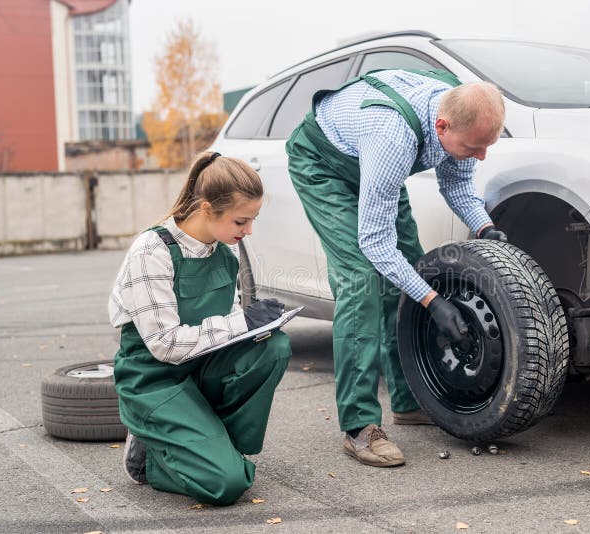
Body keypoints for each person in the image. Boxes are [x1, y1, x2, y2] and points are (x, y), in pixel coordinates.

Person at [285, 69, 508, 467]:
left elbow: (457, 186)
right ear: (441, 126)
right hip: (324, 166)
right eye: (475, 147)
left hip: (371, 165)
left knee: (410, 267)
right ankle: (359, 427)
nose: (481, 156)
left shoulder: (455, 109)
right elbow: (375, 245)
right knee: (363, 279)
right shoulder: (392, 136)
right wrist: (434, 302)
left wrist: (486, 227)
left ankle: (409, 400)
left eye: (486, 147)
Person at [108, 151, 292, 505]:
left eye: (252, 220)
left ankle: (214, 444)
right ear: (207, 209)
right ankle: (150, 458)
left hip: (201, 368)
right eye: (241, 221)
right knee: (225, 485)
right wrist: (243, 321)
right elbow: (163, 344)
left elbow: (229, 327)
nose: (249, 231)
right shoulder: (152, 251)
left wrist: (260, 325)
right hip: (154, 380)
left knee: (274, 346)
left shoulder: (225, 251)